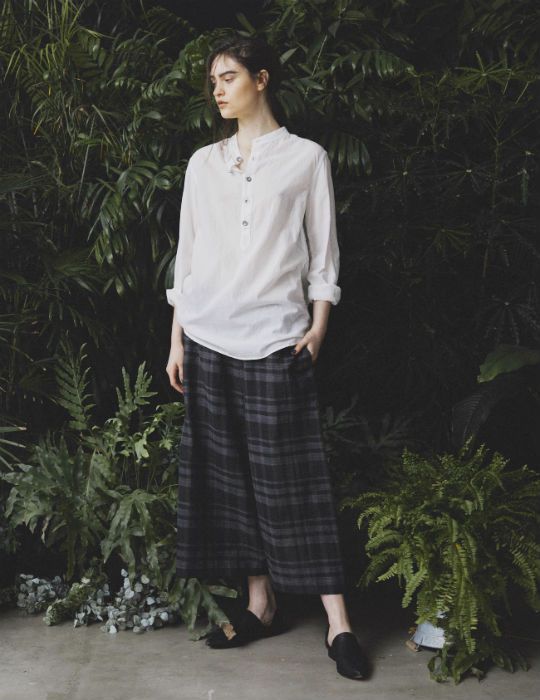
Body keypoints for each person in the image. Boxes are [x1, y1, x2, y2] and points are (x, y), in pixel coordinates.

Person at [165, 34, 369, 681]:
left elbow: (324, 255)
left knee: (295, 481)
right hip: (207, 338)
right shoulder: (203, 164)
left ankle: (339, 624)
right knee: (229, 481)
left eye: (228, 77)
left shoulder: (306, 159)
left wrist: (318, 327)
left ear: (261, 79)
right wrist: (176, 339)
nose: (217, 90)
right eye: (212, 81)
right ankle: (261, 604)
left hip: (278, 338)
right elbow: (188, 256)